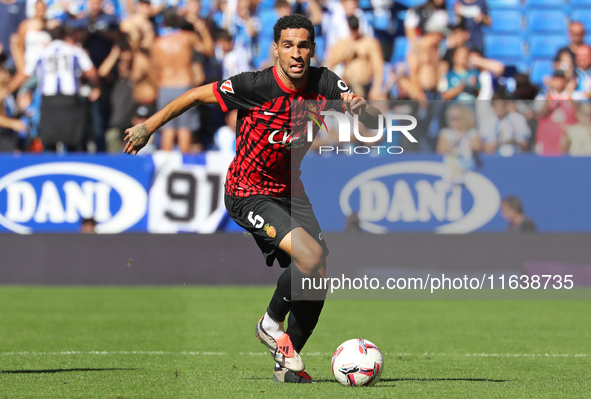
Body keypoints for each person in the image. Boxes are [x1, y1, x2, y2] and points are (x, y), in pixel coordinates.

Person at [123, 14, 380, 383]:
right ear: (275, 48)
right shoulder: (255, 86)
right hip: (248, 191)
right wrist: (149, 126)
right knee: (309, 257)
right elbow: (196, 95)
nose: (296, 54)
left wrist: (362, 110)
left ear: (312, 49)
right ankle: (270, 324)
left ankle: (287, 360)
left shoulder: (324, 81)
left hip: (291, 189)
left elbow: (373, 125)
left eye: (303, 45)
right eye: (288, 45)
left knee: (318, 275)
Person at [3, 25, 100, 152]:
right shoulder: (75, 51)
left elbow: (24, 74)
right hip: (70, 101)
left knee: (49, 141)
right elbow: (91, 72)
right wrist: (97, 87)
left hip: (49, 101)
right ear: (65, 37)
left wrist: (7, 90)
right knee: (73, 142)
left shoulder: (42, 52)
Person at [152, 8, 213, 152]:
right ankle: (183, 167)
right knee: (184, 129)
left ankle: (166, 170)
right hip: (184, 85)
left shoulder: (157, 43)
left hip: (165, 87)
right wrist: (203, 29)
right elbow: (209, 50)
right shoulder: (188, 37)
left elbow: (154, 71)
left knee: (167, 130)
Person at [326, 15, 384, 99]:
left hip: (364, 84)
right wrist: (346, 54)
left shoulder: (370, 43)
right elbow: (331, 63)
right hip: (347, 85)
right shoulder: (342, 43)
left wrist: (376, 88)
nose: (354, 31)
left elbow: (378, 66)